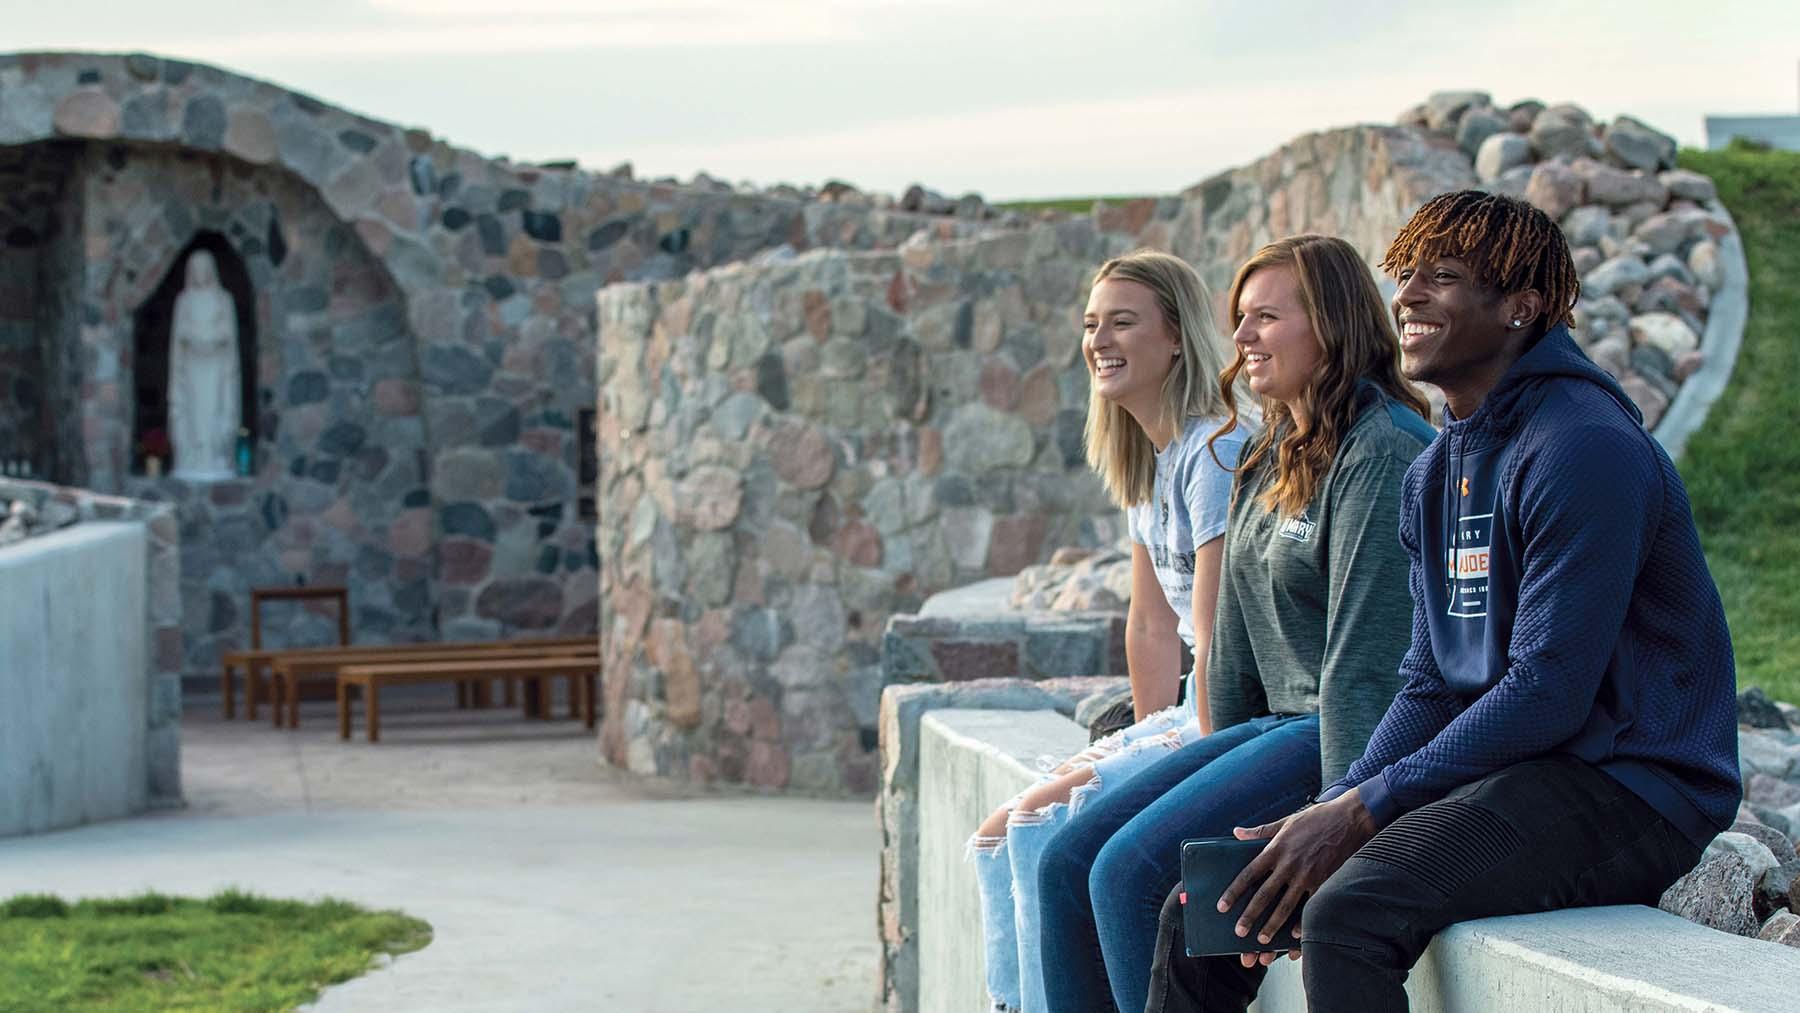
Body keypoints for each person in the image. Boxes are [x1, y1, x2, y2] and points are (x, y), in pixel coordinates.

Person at [1170, 190, 1739, 1013]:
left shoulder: (1584, 446)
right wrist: (1335, 807)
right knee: (1214, 900)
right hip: (1520, 765)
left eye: (1441, 276)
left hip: (1633, 783)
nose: (1406, 296)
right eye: (1405, 275)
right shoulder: (1440, 469)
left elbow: (1549, 690)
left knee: (1347, 912)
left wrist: (1365, 808)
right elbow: (1431, 680)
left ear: (1521, 305)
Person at [1034, 235, 1436, 1013]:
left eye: (1266, 317)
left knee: (1127, 873)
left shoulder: (1382, 453)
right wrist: (1213, 777)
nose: (1243, 336)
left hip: (1338, 739)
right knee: (1065, 859)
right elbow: (1230, 656)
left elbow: (1365, 665)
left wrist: (1342, 821)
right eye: (1239, 318)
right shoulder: (1268, 457)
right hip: (1269, 731)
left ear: (1332, 326)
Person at [970, 249, 1248, 1013]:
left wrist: (1179, 755)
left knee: (1040, 828)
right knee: (997, 836)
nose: (1100, 339)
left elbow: (1218, 634)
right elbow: (1150, 625)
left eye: (1123, 322)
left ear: (1177, 338)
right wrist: (1146, 728)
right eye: (1092, 324)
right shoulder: (1150, 459)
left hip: (1228, 713)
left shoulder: (1217, 450)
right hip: (1184, 709)